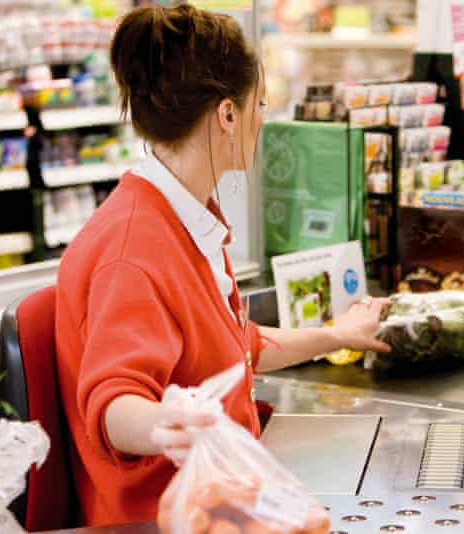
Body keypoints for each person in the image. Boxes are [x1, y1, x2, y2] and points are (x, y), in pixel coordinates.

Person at [55, 4, 391, 527]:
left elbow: (235, 349)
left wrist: (335, 334)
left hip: (225, 496)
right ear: (228, 114)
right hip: (171, 517)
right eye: (260, 105)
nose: (263, 120)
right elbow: (115, 401)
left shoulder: (183, 220)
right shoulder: (132, 253)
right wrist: (164, 421)